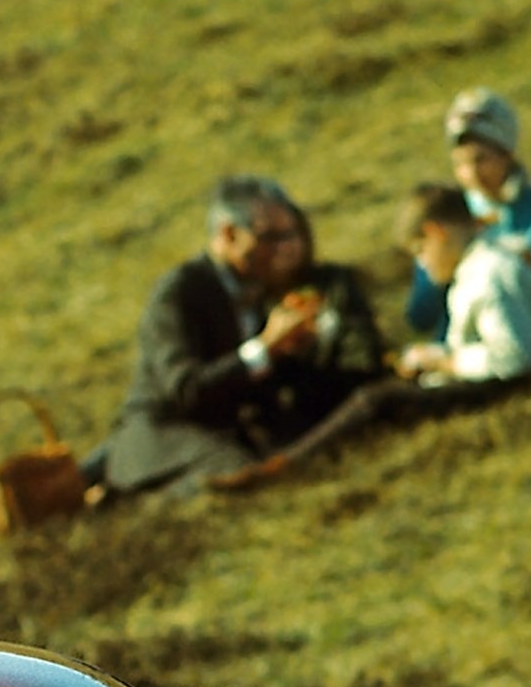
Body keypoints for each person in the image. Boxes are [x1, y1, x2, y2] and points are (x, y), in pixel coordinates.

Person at [218, 184, 531, 484]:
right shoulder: (486, 261)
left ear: (436, 234)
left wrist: (447, 361)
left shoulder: (491, 275)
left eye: (420, 253)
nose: (425, 266)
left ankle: (286, 465)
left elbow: (515, 357)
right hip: (502, 374)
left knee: (378, 400)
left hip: (516, 382)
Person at [92, 175, 386, 496]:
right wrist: (265, 348)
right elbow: (184, 388)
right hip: (160, 434)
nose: (285, 248)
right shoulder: (180, 291)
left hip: (220, 435)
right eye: (270, 237)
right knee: (238, 471)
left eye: (289, 234)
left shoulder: (255, 290)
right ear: (229, 234)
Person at [402, 87, 531, 343]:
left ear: (507, 154)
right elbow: (419, 317)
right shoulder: (451, 218)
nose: (471, 174)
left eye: (481, 160)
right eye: (460, 163)